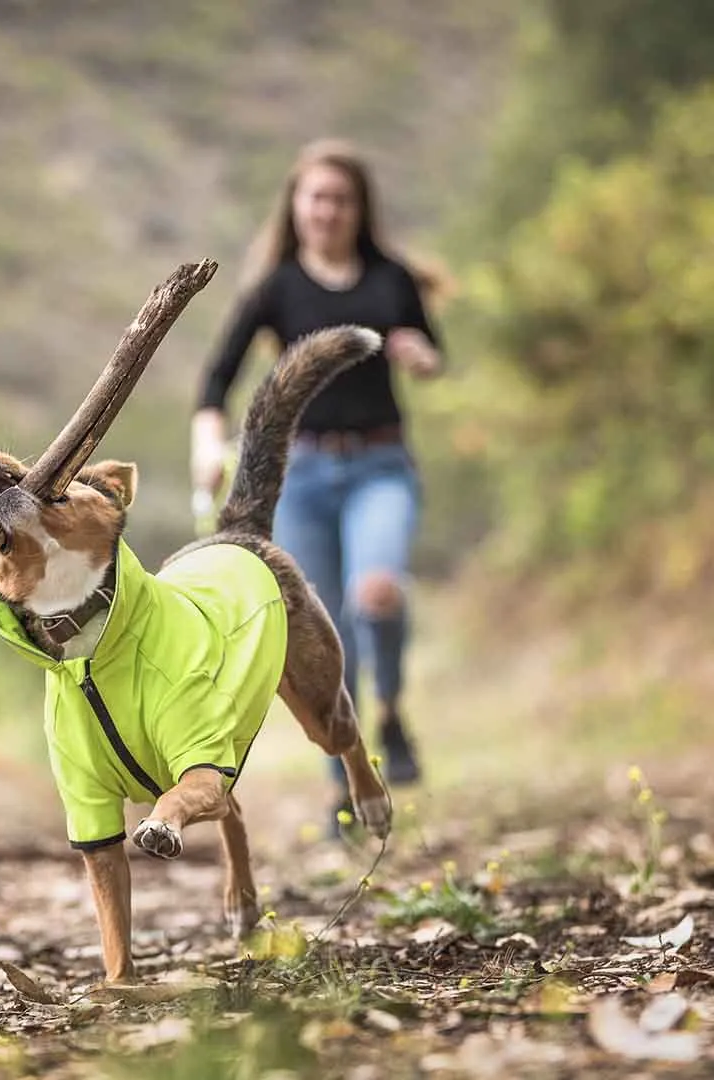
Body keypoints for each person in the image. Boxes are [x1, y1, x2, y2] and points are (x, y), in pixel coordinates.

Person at [190, 137, 445, 833]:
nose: (326, 211)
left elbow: (431, 353)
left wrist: (419, 356)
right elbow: (215, 381)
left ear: (358, 208)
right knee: (326, 640)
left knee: (378, 592)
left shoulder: (390, 278)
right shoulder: (276, 288)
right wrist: (208, 446)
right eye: (315, 198)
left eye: (340, 199)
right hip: (300, 477)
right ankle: (347, 788)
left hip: (380, 466)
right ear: (295, 206)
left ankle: (390, 710)